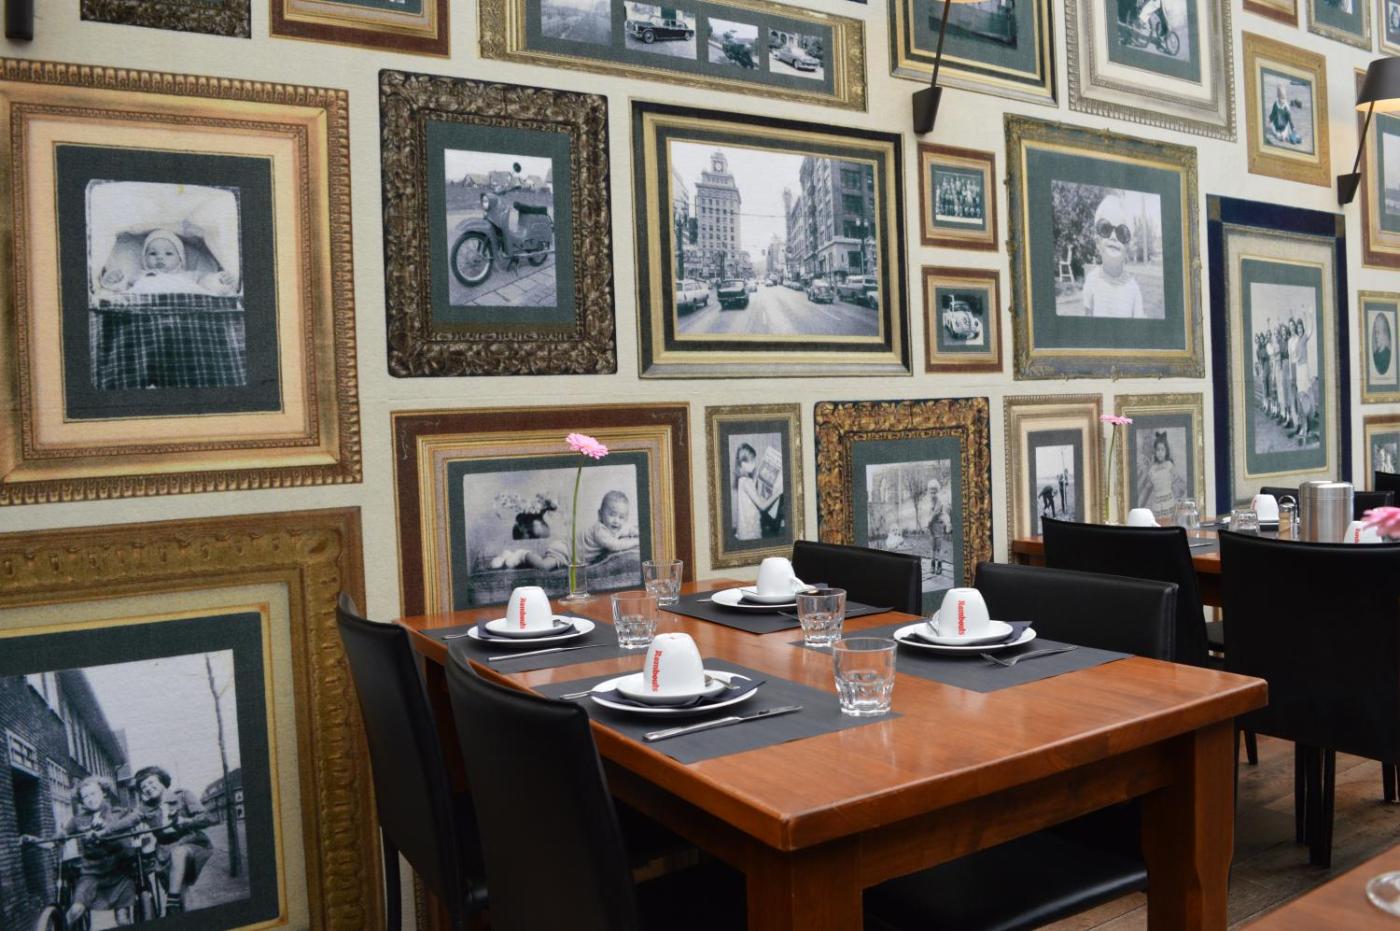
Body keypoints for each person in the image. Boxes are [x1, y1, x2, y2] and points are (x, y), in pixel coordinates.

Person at [21, 775, 141, 928]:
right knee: (75, 911)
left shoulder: (119, 813)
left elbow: (131, 823)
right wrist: (34, 840)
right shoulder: (76, 821)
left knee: (123, 918)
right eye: (86, 796)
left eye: (93, 793)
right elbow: (55, 842)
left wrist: (107, 827)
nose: (90, 799)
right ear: (81, 801)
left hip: (119, 872)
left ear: (103, 793)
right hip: (92, 873)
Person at [132, 766, 214, 915]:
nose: (148, 788)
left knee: (179, 854)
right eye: (143, 787)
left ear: (162, 781)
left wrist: (186, 821)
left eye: (151, 783)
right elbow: (130, 823)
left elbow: (208, 818)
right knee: (179, 895)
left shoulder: (182, 795)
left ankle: (171, 904)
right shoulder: (145, 809)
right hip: (164, 854)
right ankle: (175, 908)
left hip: (191, 845)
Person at [99, 229, 238, 297]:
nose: (160, 258)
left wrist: (219, 281)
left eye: (169, 254)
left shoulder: (189, 275)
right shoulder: (139, 276)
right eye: (153, 254)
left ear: (180, 259)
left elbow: (206, 283)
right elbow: (124, 291)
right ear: (144, 259)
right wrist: (115, 281)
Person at [1080, 194, 1145, 318]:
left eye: (1122, 232)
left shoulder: (1133, 289)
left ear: (1128, 246)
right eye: (1106, 229)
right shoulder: (1091, 281)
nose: (1114, 237)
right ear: (1097, 241)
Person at [489, 502, 570, 570]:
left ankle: (516, 558)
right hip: (565, 549)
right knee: (544, 565)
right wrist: (522, 555)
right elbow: (544, 566)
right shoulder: (562, 547)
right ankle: (521, 555)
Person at [731, 443, 783, 541]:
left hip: (745, 526)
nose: (755, 464)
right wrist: (778, 493)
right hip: (750, 530)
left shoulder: (742, 479)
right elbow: (762, 507)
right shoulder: (747, 482)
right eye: (752, 461)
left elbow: (752, 497)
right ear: (743, 463)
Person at [578, 490, 640, 563]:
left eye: (621, 517)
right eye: (612, 515)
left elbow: (627, 530)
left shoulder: (612, 527)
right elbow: (615, 545)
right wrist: (636, 541)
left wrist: (636, 532)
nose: (616, 521)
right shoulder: (600, 530)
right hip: (571, 555)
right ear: (600, 514)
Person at [1139, 431, 1186, 522]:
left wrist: (1178, 498)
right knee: (1159, 523)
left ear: (1166, 451)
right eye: (1158, 450)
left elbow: (1178, 484)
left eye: (1162, 450)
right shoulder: (1152, 469)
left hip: (1169, 502)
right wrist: (1141, 505)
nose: (1160, 453)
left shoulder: (1169, 465)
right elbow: (1148, 488)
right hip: (1157, 504)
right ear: (1155, 451)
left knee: (1169, 522)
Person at [1266, 83, 1303, 148]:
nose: (1283, 101)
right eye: (1281, 99)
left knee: (1283, 136)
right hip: (1276, 124)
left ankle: (1291, 137)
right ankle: (1282, 136)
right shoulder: (1276, 104)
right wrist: (1270, 119)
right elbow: (1273, 113)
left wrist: (1293, 128)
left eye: (1284, 99)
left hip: (1284, 125)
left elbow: (1289, 119)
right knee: (1278, 135)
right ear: (1278, 97)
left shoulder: (1286, 107)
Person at [1374, 312, 1392, 377]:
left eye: (1378, 333)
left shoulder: (1388, 354)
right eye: (1375, 333)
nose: (1376, 336)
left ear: (1384, 334)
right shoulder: (1375, 354)